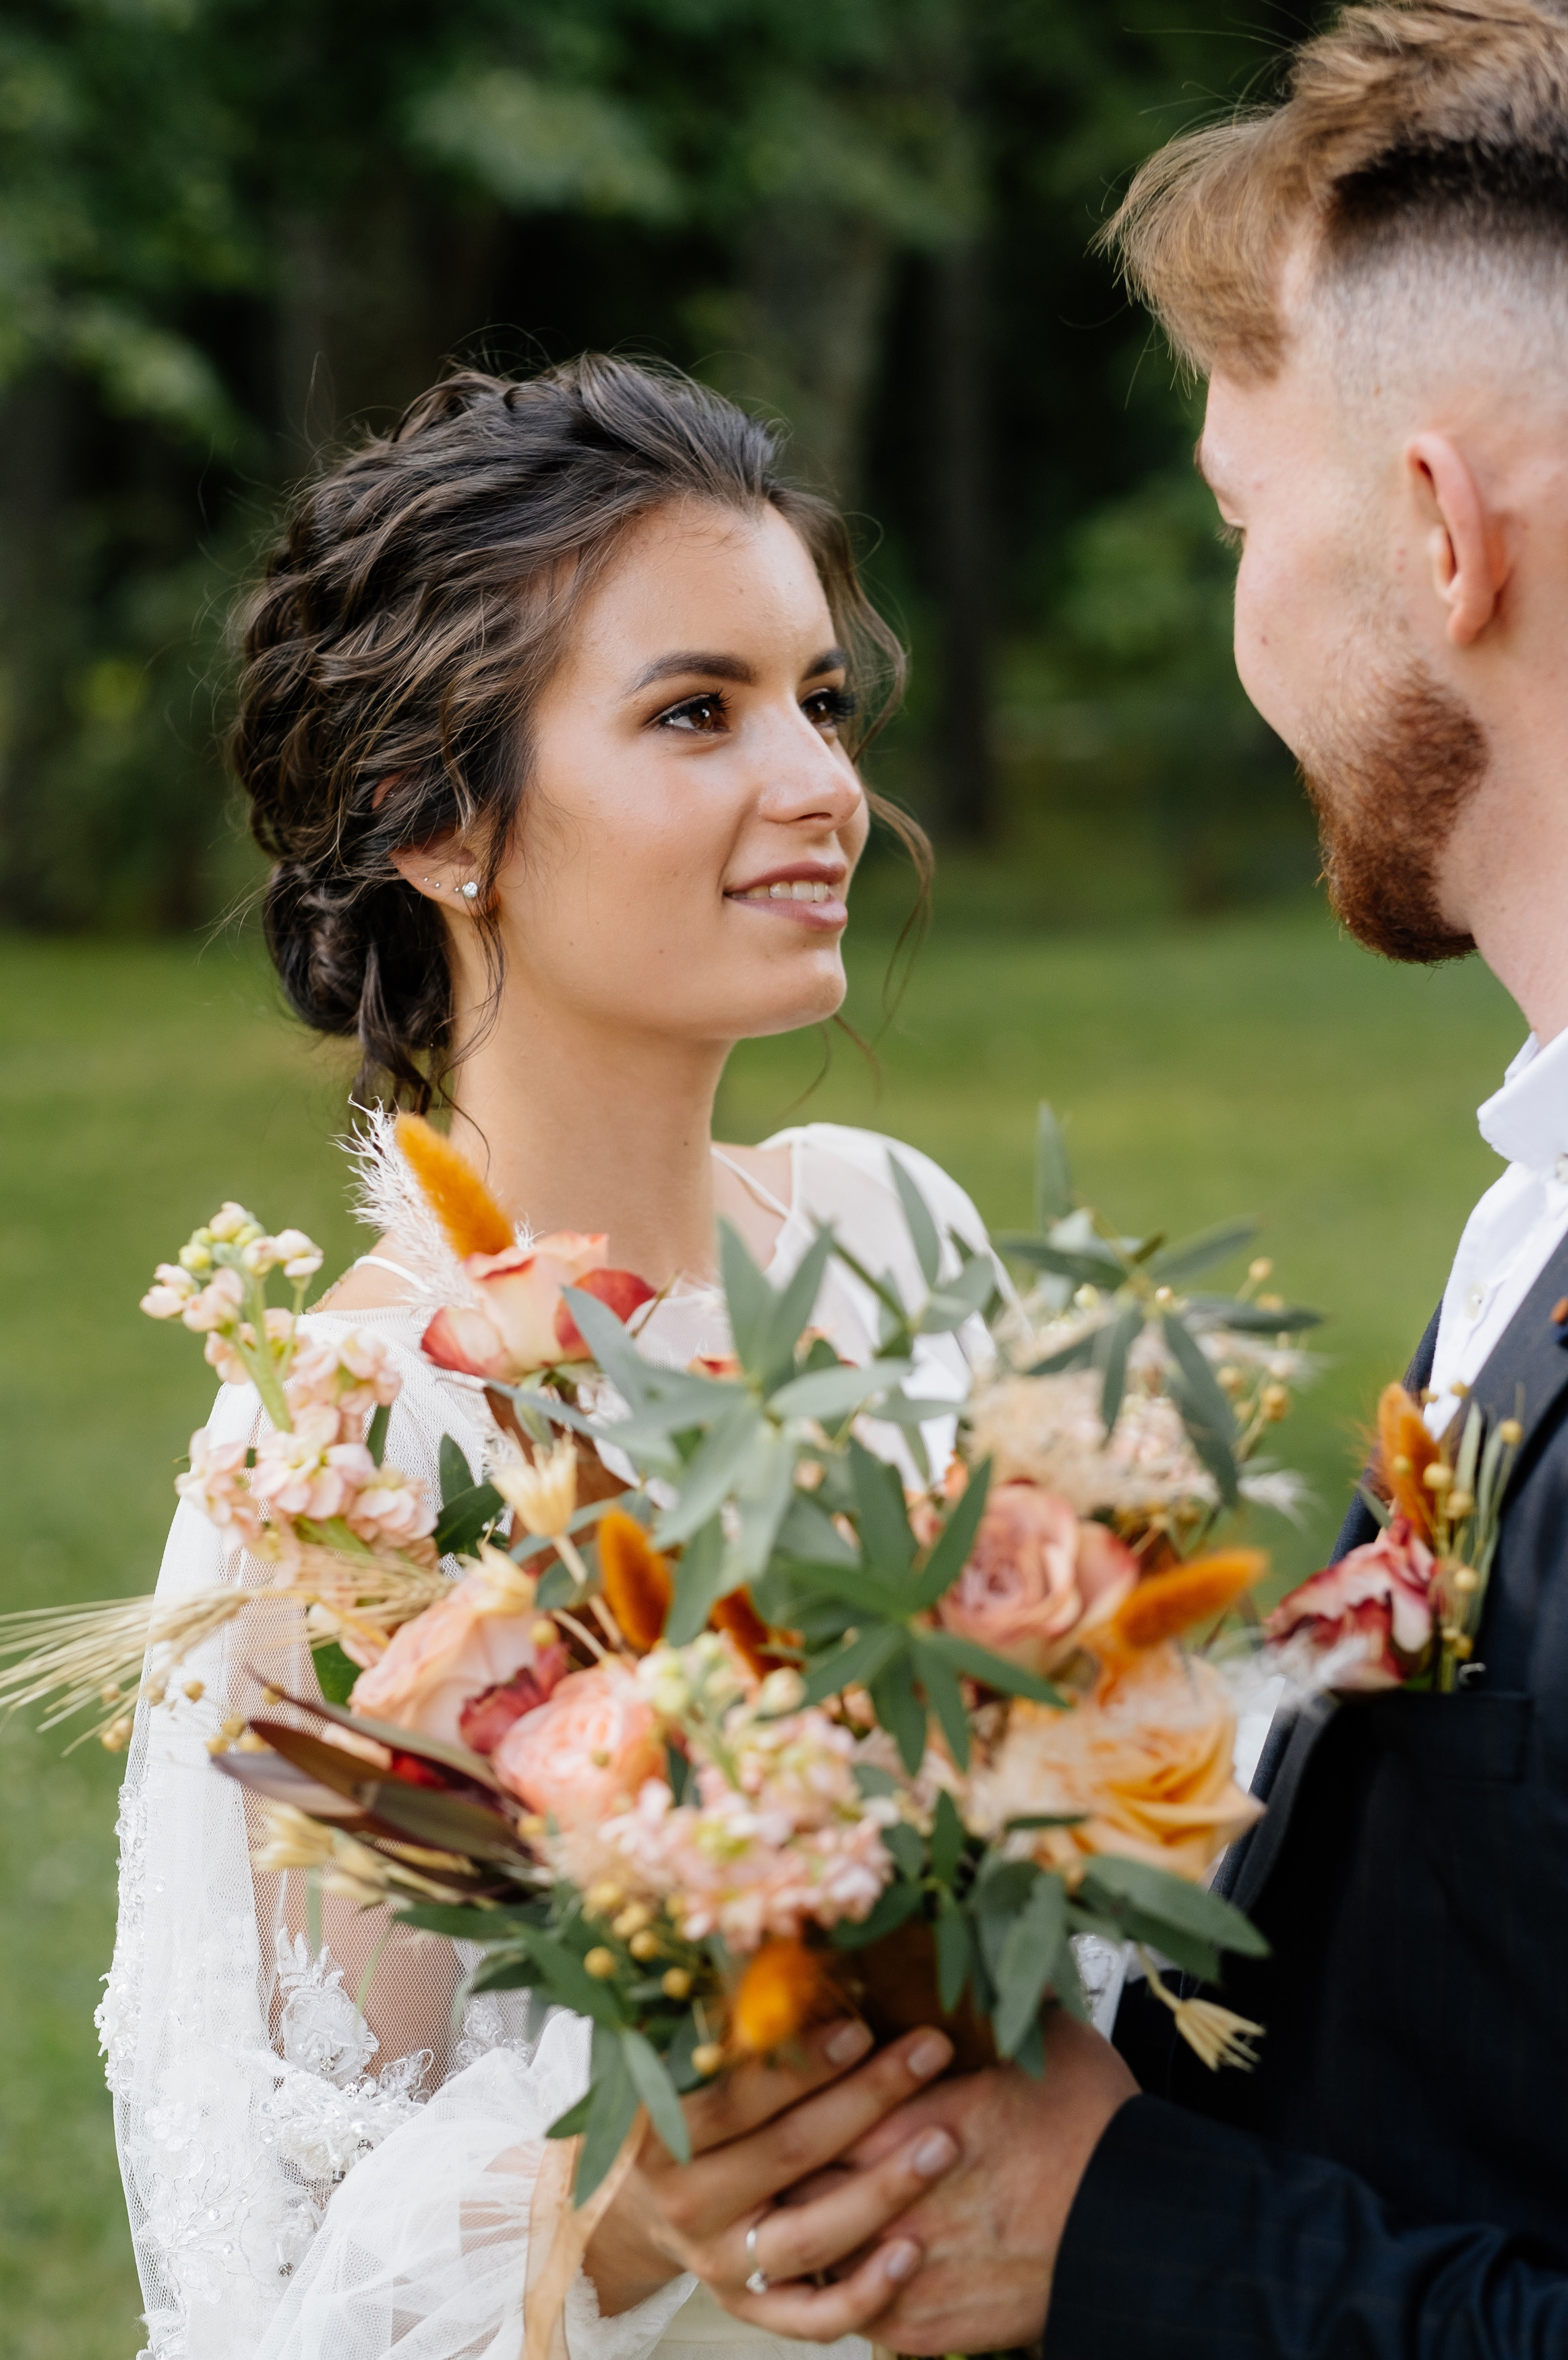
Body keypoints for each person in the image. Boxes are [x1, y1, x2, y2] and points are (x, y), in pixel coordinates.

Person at [675, 2, 1568, 2352]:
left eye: (1241, 516)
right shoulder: (1535, 1196)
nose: (1240, 611)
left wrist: (1120, 2233)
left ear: (1444, 537)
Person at [100, 356, 979, 2360]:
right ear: (435, 822)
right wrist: (622, 2201)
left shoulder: (895, 1226)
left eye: (818, 702)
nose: (823, 785)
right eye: (697, 710)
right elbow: (282, 2264)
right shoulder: (349, 1438)